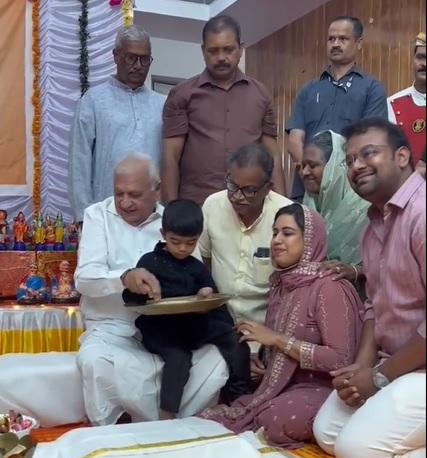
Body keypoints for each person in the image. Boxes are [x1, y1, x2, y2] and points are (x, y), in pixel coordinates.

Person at [75, 153, 229, 425]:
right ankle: (115, 428)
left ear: (156, 189)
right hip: (112, 330)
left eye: (134, 194)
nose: (124, 202)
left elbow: (195, 276)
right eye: (118, 193)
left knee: (215, 359)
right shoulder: (97, 216)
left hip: (168, 329)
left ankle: (182, 425)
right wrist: (123, 278)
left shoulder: (171, 223)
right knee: (93, 360)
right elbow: (84, 279)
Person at [314, 118, 426, 458]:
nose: (357, 165)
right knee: (328, 432)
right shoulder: (374, 224)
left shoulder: (422, 215)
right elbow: (374, 309)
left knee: (357, 454)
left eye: (369, 153)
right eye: (349, 160)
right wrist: (359, 372)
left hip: (417, 370)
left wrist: (377, 378)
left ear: (403, 156)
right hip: (397, 366)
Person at [201, 204, 362, 448]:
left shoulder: (329, 286)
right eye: (274, 232)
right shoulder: (282, 284)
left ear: (309, 238)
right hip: (287, 386)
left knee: (276, 421)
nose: (276, 240)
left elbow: (341, 359)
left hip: (326, 388)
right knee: (223, 400)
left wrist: (276, 340)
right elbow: (284, 350)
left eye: (287, 233)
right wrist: (266, 365)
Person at [123, 199, 250, 420]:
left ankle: (239, 397)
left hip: (192, 325)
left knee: (236, 339)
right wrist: (141, 289)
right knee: (179, 359)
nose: (183, 248)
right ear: (163, 234)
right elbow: (131, 298)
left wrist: (205, 299)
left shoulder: (196, 267)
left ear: (199, 237)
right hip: (160, 330)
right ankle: (167, 414)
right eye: (176, 241)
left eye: (190, 243)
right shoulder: (150, 261)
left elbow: (213, 298)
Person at [162, 15, 285, 206]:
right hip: (196, 207)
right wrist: (171, 209)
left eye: (228, 50)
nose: (221, 58)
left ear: (241, 49)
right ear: (203, 51)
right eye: (213, 51)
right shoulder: (181, 94)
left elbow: (273, 156)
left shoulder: (261, 94)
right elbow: (171, 157)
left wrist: (283, 207)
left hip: (248, 205)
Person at [69, 26, 164, 221]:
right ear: (116, 56)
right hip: (106, 214)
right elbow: (79, 161)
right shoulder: (94, 101)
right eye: (131, 57)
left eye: (145, 59)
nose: (138, 65)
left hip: (153, 217)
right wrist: (83, 217)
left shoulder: (162, 104)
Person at [287, 16, 387, 202]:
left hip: (350, 191)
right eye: (331, 39)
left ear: (358, 43)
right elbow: (294, 140)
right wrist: (311, 172)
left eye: (343, 39)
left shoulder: (372, 89)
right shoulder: (309, 90)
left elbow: (371, 141)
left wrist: (336, 178)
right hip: (307, 187)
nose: (335, 44)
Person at [199, 144, 292, 329]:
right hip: (221, 322)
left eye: (249, 190)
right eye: (232, 185)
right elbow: (204, 260)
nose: (237, 197)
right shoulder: (212, 205)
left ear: (268, 188)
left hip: (268, 326)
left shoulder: (286, 215)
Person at [301, 130, 369, 283]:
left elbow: (390, 263)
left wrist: (355, 271)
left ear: (335, 167)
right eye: (303, 165)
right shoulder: (306, 208)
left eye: (312, 165)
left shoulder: (367, 209)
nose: (305, 172)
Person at [388, 32, 426, 176]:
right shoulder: (392, 104)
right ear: (412, 61)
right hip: (404, 191)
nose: (425, 64)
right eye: (421, 57)